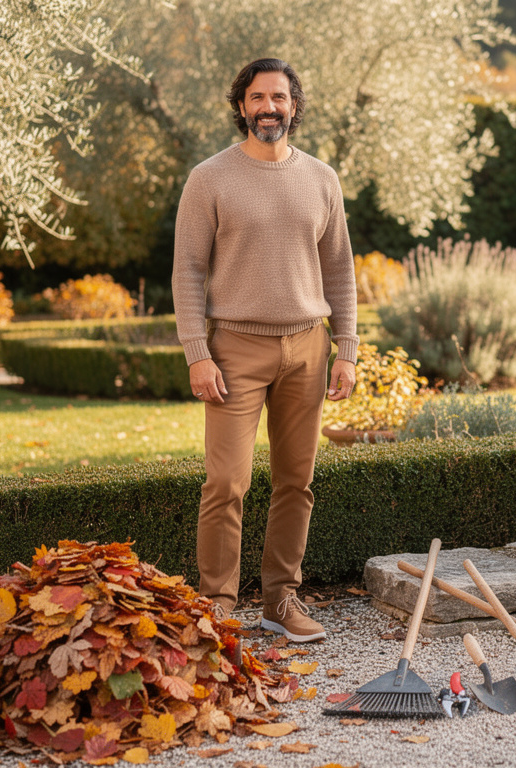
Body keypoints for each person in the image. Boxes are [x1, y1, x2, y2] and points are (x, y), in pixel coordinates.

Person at [171, 58, 358, 643]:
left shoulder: (322, 179)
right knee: (226, 482)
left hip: (308, 346)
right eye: (257, 97)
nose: (268, 107)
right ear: (242, 105)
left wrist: (346, 349)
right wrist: (196, 352)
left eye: (278, 97)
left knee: (295, 481)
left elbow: (340, 271)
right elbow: (188, 270)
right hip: (234, 351)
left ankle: (281, 599)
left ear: (293, 106)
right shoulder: (210, 178)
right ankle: (218, 608)